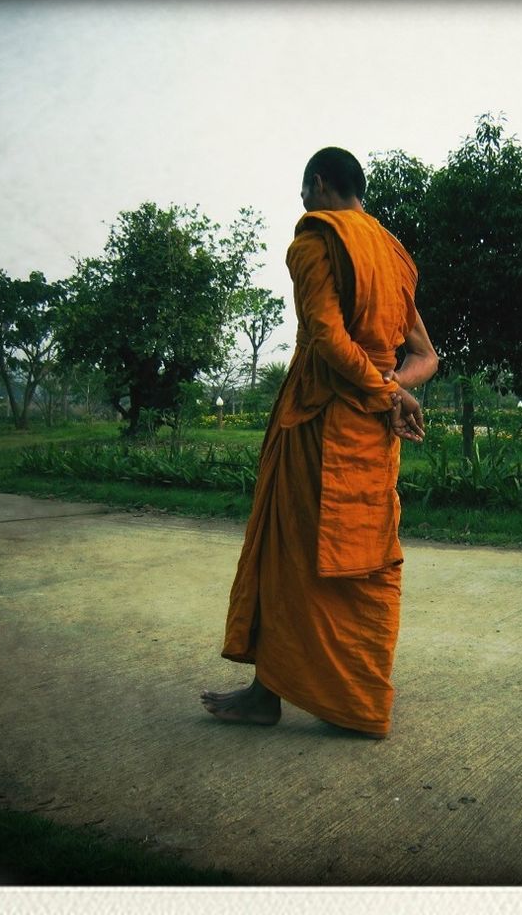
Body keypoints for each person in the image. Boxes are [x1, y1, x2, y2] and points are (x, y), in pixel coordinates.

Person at [200, 146, 438, 739]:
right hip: (374, 437)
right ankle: (355, 699)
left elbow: (329, 340)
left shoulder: (316, 239)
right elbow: (426, 356)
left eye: (304, 190)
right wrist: (392, 388)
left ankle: (269, 696)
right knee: (365, 561)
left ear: (321, 182)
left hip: (319, 423)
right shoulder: (391, 253)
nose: (302, 202)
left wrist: (384, 393)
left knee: (291, 558)